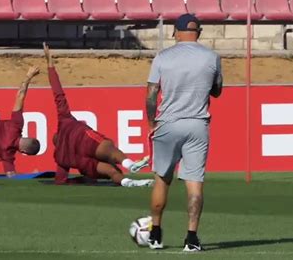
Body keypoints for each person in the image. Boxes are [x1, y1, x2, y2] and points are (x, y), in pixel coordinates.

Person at [145, 14, 223, 251]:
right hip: (198, 124)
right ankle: (191, 238)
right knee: (194, 183)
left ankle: (156, 234)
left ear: (176, 32)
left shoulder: (163, 57)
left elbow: (150, 94)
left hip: (168, 123)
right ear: (198, 32)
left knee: (162, 178)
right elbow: (217, 91)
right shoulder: (212, 57)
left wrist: (151, 123)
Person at [43, 43, 152, 187]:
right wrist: (50, 65)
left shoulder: (61, 157)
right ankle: (130, 164)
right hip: (85, 141)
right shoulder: (65, 120)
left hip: (84, 163)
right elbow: (58, 93)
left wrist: (80, 181)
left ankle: (129, 182)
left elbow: (60, 181)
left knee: (112, 171)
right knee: (110, 150)